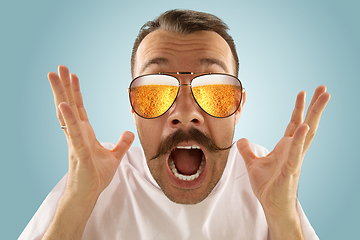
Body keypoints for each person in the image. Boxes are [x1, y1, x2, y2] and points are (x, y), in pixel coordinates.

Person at [19, 9, 330, 240]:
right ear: (133, 106)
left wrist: (282, 216)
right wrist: (78, 200)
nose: (184, 112)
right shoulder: (93, 178)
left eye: (214, 89)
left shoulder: (263, 176)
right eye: (155, 90)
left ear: (238, 107)